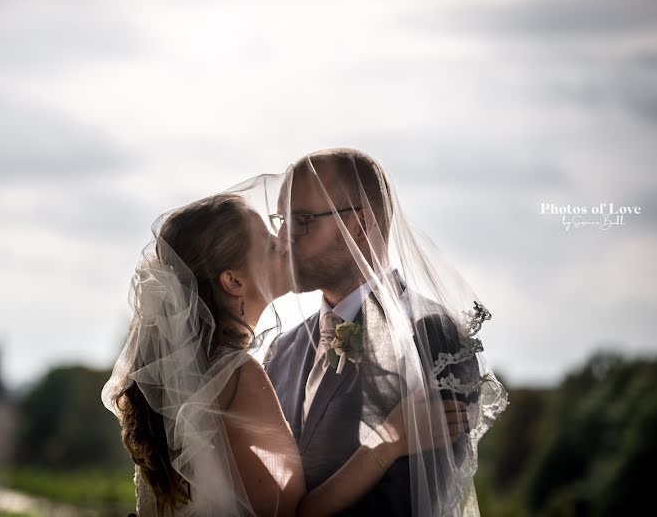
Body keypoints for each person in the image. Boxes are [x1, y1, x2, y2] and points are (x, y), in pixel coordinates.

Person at [102, 193, 469, 516]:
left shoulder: (185, 379)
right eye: (269, 246)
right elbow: (295, 513)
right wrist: (387, 441)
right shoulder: (238, 377)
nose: (287, 243)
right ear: (233, 281)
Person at [262, 148, 508, 516]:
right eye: (281, 220)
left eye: (302, 220)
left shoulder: (432, 336)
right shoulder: (282, 350)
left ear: (359, 225)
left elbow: (422, 498)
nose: (282, 239)